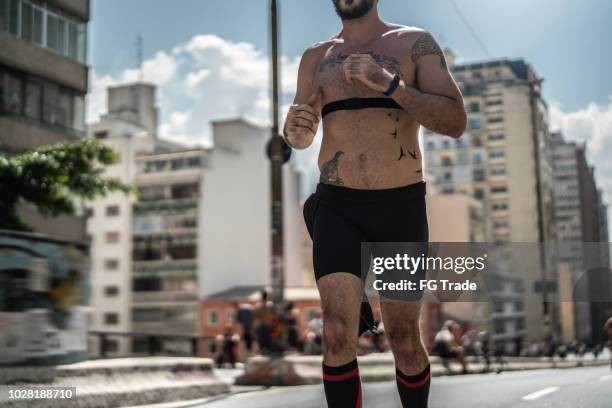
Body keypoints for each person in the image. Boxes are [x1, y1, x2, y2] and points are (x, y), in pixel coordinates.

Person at [284, 0, 466, 406]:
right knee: (335, 332)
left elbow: (455, 121)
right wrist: (295, 130)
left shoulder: (415, 43)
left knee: (403, 339)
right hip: (337, 205)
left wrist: (390, 85)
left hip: (399, 208)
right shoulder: (315, 56)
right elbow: (301, 132)